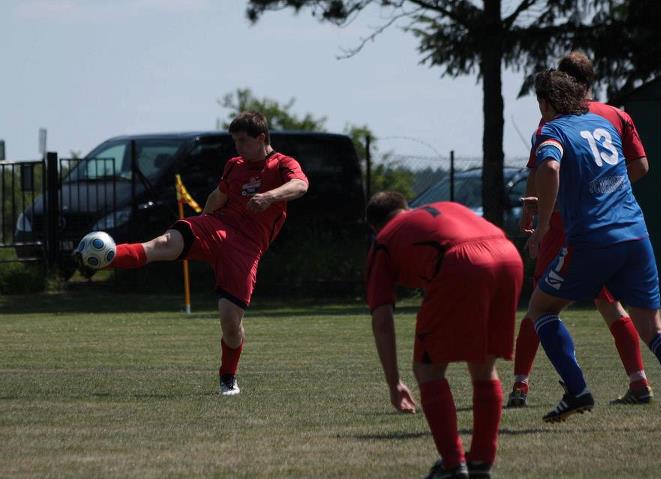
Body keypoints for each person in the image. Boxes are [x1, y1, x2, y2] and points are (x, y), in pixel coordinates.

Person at [526, 69, 661, 430]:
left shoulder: (552, 130)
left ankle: (578, 390)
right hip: (635, 234)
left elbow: (549, 167)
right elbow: (633, 167)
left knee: (541, 308)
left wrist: (545, 224)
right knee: (653, 328)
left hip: (593, 238)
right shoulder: (604, 126)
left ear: (547, 103)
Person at [76, 111, 309, 396]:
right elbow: (217, 197)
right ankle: (107, 257)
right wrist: (200, 223)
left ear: (261, 138)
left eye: (243, 141)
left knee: (230, 323)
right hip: (216, 227)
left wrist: (270, 196)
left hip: (246, 247)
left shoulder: (282, 164)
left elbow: (301, 185)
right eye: (234, 141)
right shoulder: (234, 165)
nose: (237, 147)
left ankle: (227, 376)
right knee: (163, 243)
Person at [507, 51, 653, 408]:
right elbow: (641, 166)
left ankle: (521, 385)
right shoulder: (616, 115)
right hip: (613, 223)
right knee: (612, 306)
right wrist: (609, 192)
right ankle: (639, 381)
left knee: (540, 306)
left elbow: (543, 170)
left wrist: (535, 214)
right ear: (592, 80)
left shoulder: (554, 122)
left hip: (565, 224)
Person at [365, 192, 524, 479]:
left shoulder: (384, 238)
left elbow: (382, 320)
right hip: (509, 254)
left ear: (375, 227)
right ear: (407, 207)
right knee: (484, 365)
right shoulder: (439, 208)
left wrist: (394, 383)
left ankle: (453, 465)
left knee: (428, 368)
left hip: (459, 262)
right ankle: (480, 462)